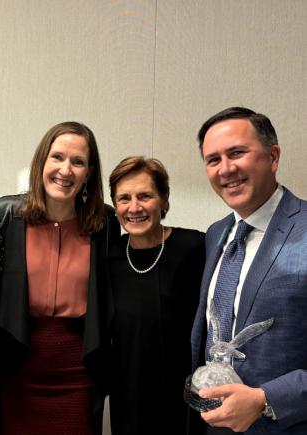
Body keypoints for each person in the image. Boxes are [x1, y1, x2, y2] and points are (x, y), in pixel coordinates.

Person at [0, 121, 118, 434]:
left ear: (89, 173)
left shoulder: (104, 222)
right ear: (41, 162)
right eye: (57, 157)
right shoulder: (7, 214)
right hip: (16, 369)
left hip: (78, 374)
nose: (66, 170)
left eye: (78, 162)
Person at [191, 106, 307, 434]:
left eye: (237, 153)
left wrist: (264, 399)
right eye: (213, 160)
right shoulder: (216, 234)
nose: (225, 169)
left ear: (273, 155)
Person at [107, 156, 205, 435]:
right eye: (124, 198)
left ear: (163, 199)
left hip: (183, 396)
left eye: (145, 196)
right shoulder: (108, 254)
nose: (134, 207)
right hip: (128, 393)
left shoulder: (195, 247)